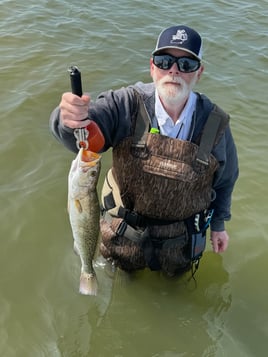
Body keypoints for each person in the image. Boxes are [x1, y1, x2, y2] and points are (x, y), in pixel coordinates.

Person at [50, 25, 239, 277]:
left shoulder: (215, 122)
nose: (173, 70)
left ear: (199, 72)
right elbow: (81, 133)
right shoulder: (125, 104)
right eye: (164, 61)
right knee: (125, 284)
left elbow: (226, 180)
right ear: (152, 67)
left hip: (180, 243)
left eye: (186, 64)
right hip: (123, 238)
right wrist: (69, 119)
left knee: (175, 289)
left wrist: (218, 224)